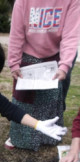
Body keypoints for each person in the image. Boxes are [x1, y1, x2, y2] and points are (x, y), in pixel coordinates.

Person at [5, 0, 80, 151]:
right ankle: (19, 136)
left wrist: (64, 65)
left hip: (55, 55)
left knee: (50, 99)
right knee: (23, 98)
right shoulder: (23, 1)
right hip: (28, 52)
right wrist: (14, 62)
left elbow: (70, 36)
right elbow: (16, 33)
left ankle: (47, 136)